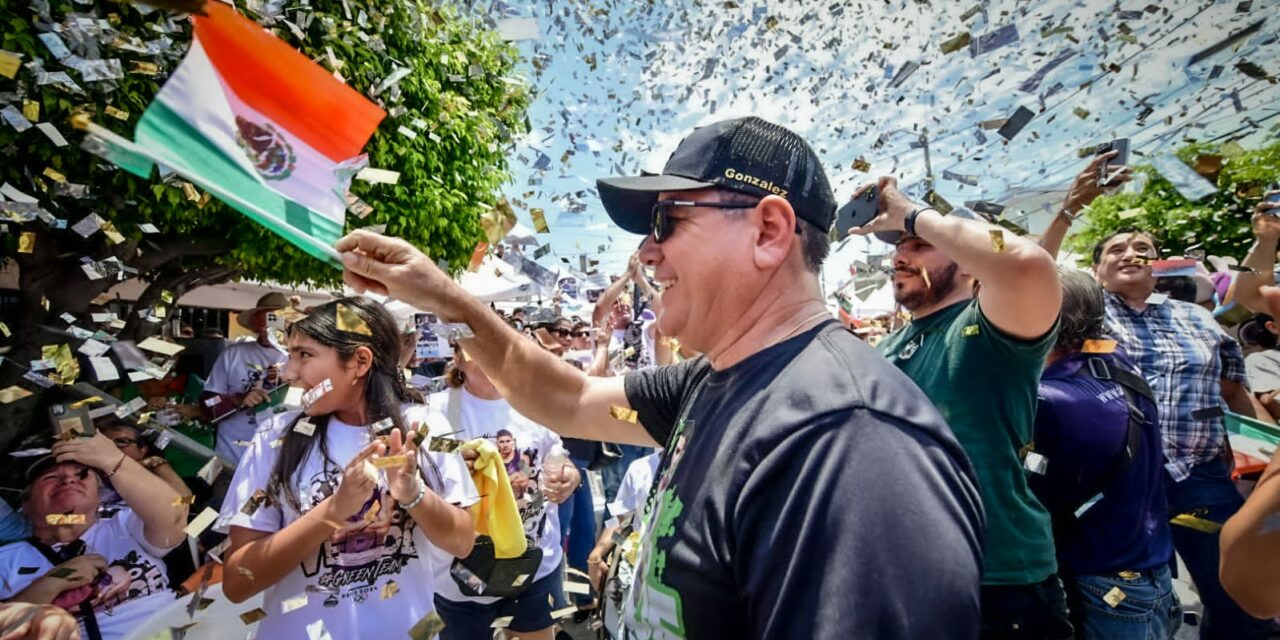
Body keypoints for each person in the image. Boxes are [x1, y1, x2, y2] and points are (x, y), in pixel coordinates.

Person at [337, 115, 985, 638]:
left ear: (768, 230)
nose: (646, 251)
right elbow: (568, 397)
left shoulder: (850, 444)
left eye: (667, 220)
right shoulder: (716, 380)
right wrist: (447, 298)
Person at [1040, 215, 1273, 637]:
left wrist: (1269, 456)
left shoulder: (1199, 319)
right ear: (1096, 271)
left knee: (1235, 592)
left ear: (1160, 264)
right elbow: (1034, 273)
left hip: (1201, 480)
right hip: (1122, 485)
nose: (1131, 253)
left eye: (1142, 248)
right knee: (1143, 597)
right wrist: (1071, 209)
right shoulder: (1087, 316)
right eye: (1116, 249)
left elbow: (1234, 392)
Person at [215, 297, 477, 638]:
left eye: (304, 355)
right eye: (290, 355)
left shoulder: (423, 426)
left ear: (359, 361)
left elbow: (464, 542)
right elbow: (237, 583)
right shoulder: (275, 438)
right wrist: (334, 510)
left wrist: (413, 494)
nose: (289, 374)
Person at [1028, 270, 1179, 639]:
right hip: (1150, 577)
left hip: (1105, 591)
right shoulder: (1115, 358)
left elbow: (1030, 494)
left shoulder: (1051, 402)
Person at [428, 347, 582, 640]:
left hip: (533, 564)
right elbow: (420, 452)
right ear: (458, 359)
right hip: (460, 574)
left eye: (493, 346)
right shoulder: (435, 409)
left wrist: (569, 475)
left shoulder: (534, 401)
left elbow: (557, 453)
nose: (488, 355)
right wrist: (459, 453)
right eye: (476, 348)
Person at [0, 433, 187, 640]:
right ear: (25, 504)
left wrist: (112, 459)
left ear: (99, 496)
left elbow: (175, 517)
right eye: (51, 477)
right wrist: (56, 580)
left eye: (82, 474)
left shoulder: (124, 524)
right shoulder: (6, 560)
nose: (69, 479)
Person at [200, 292, 289, 466]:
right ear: (255, 324)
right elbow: (207, 404)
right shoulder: (233, 354)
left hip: (280, 462)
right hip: (232, 458)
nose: (268, 329)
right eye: (263, 323)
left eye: (275, 321)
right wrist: (238, 399)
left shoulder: (301, 357)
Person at [94, 420, 191, 505]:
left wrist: (157, 464)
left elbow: (186, 500)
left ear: (142, 451)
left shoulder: (154, 471)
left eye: (122, 442)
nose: (114, 448)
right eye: (107, 444)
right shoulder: (91, 472)